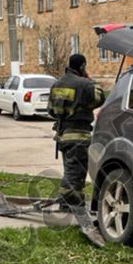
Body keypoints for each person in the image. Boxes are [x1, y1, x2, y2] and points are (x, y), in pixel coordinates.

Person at [48, 53, 105, 208]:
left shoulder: (57, 84)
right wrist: (90, 79)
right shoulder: (84, 84)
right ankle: (66, 204)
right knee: (75, 172)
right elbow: (100, 98)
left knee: (71, 170)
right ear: (82, 67)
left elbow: (51, 111)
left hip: (63, 136)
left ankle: (75, 203)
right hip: (78, 136)